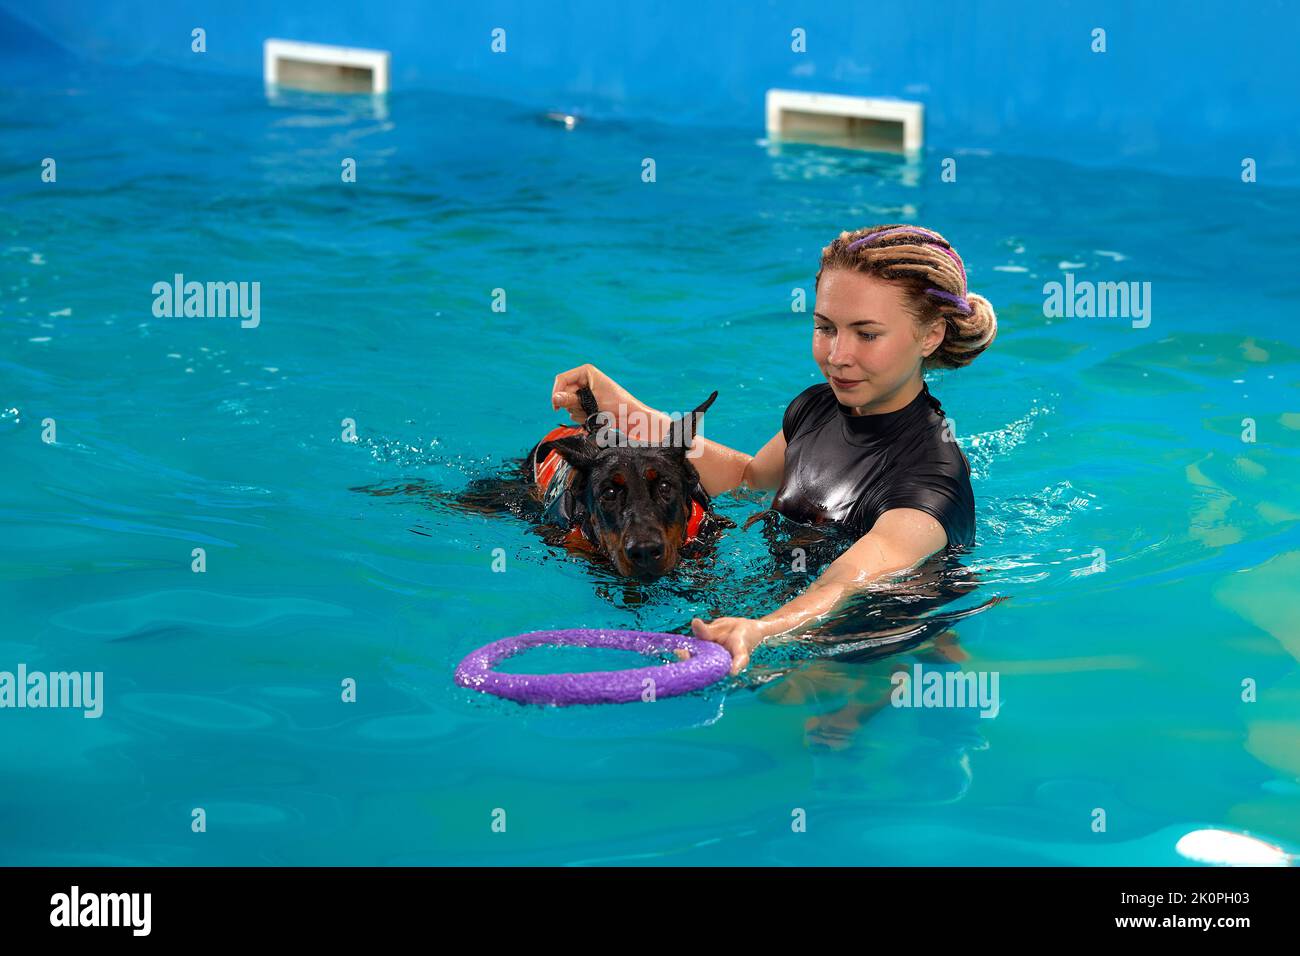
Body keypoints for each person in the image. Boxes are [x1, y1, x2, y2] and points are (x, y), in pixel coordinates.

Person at [550, 224, 998, 675]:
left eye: (867, 334)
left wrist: (762, 630)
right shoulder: (818, 407)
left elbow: (843, 583)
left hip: (862, 643)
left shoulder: (930, 480)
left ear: (930, 335)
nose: (837, 356)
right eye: (825, 328)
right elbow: (746, 479)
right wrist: (620, 408)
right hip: (776, 607)